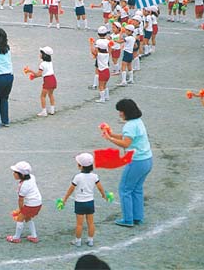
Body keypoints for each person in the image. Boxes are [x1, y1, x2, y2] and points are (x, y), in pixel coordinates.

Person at [101, 99, 153, 227]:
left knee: (125, 189)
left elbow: (126, 143)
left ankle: (128, 219)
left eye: (121, 111)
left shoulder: (129, 125)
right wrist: (112, 134)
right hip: (147, 160)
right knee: (137, 189)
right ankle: (137, 216)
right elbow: (128, 137)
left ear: (126, 112)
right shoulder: (138, 122)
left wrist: (109, 138)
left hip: (136, 161)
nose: (120, 114)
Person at [59, 152, 107, 247]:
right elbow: (100, 187)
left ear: (80, 166)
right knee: (91, 223)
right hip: (90, 202)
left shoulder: (77, 177)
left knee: (79, 224)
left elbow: (71, 189)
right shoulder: (94, 176)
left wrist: (64, 199)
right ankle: (90, 240)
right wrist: (103, 195)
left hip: (80, 203)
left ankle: (78, 241)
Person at [6, 161, 42, 243]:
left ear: (21, 175)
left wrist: (20, 210)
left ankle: (16, 238)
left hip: (31, 205)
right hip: (38, 203)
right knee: (28, 217)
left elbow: (20, 200)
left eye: (15, 172)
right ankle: (34, 236)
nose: (13, 174)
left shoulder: (22, 186)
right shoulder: (32, 177)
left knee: (20, 218)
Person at [26, 46, 56, 117]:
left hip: (47, 81)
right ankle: (52, 110)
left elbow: (38, 74)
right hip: (53, 79)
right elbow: (44, 73)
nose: (40, 54)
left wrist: (30, 71)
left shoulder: (42, 64)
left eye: (41, 53)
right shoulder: (50, 63)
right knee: (51, 94)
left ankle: (44, 111)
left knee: (42, 96)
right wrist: (34, 76)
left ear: (44, 55)